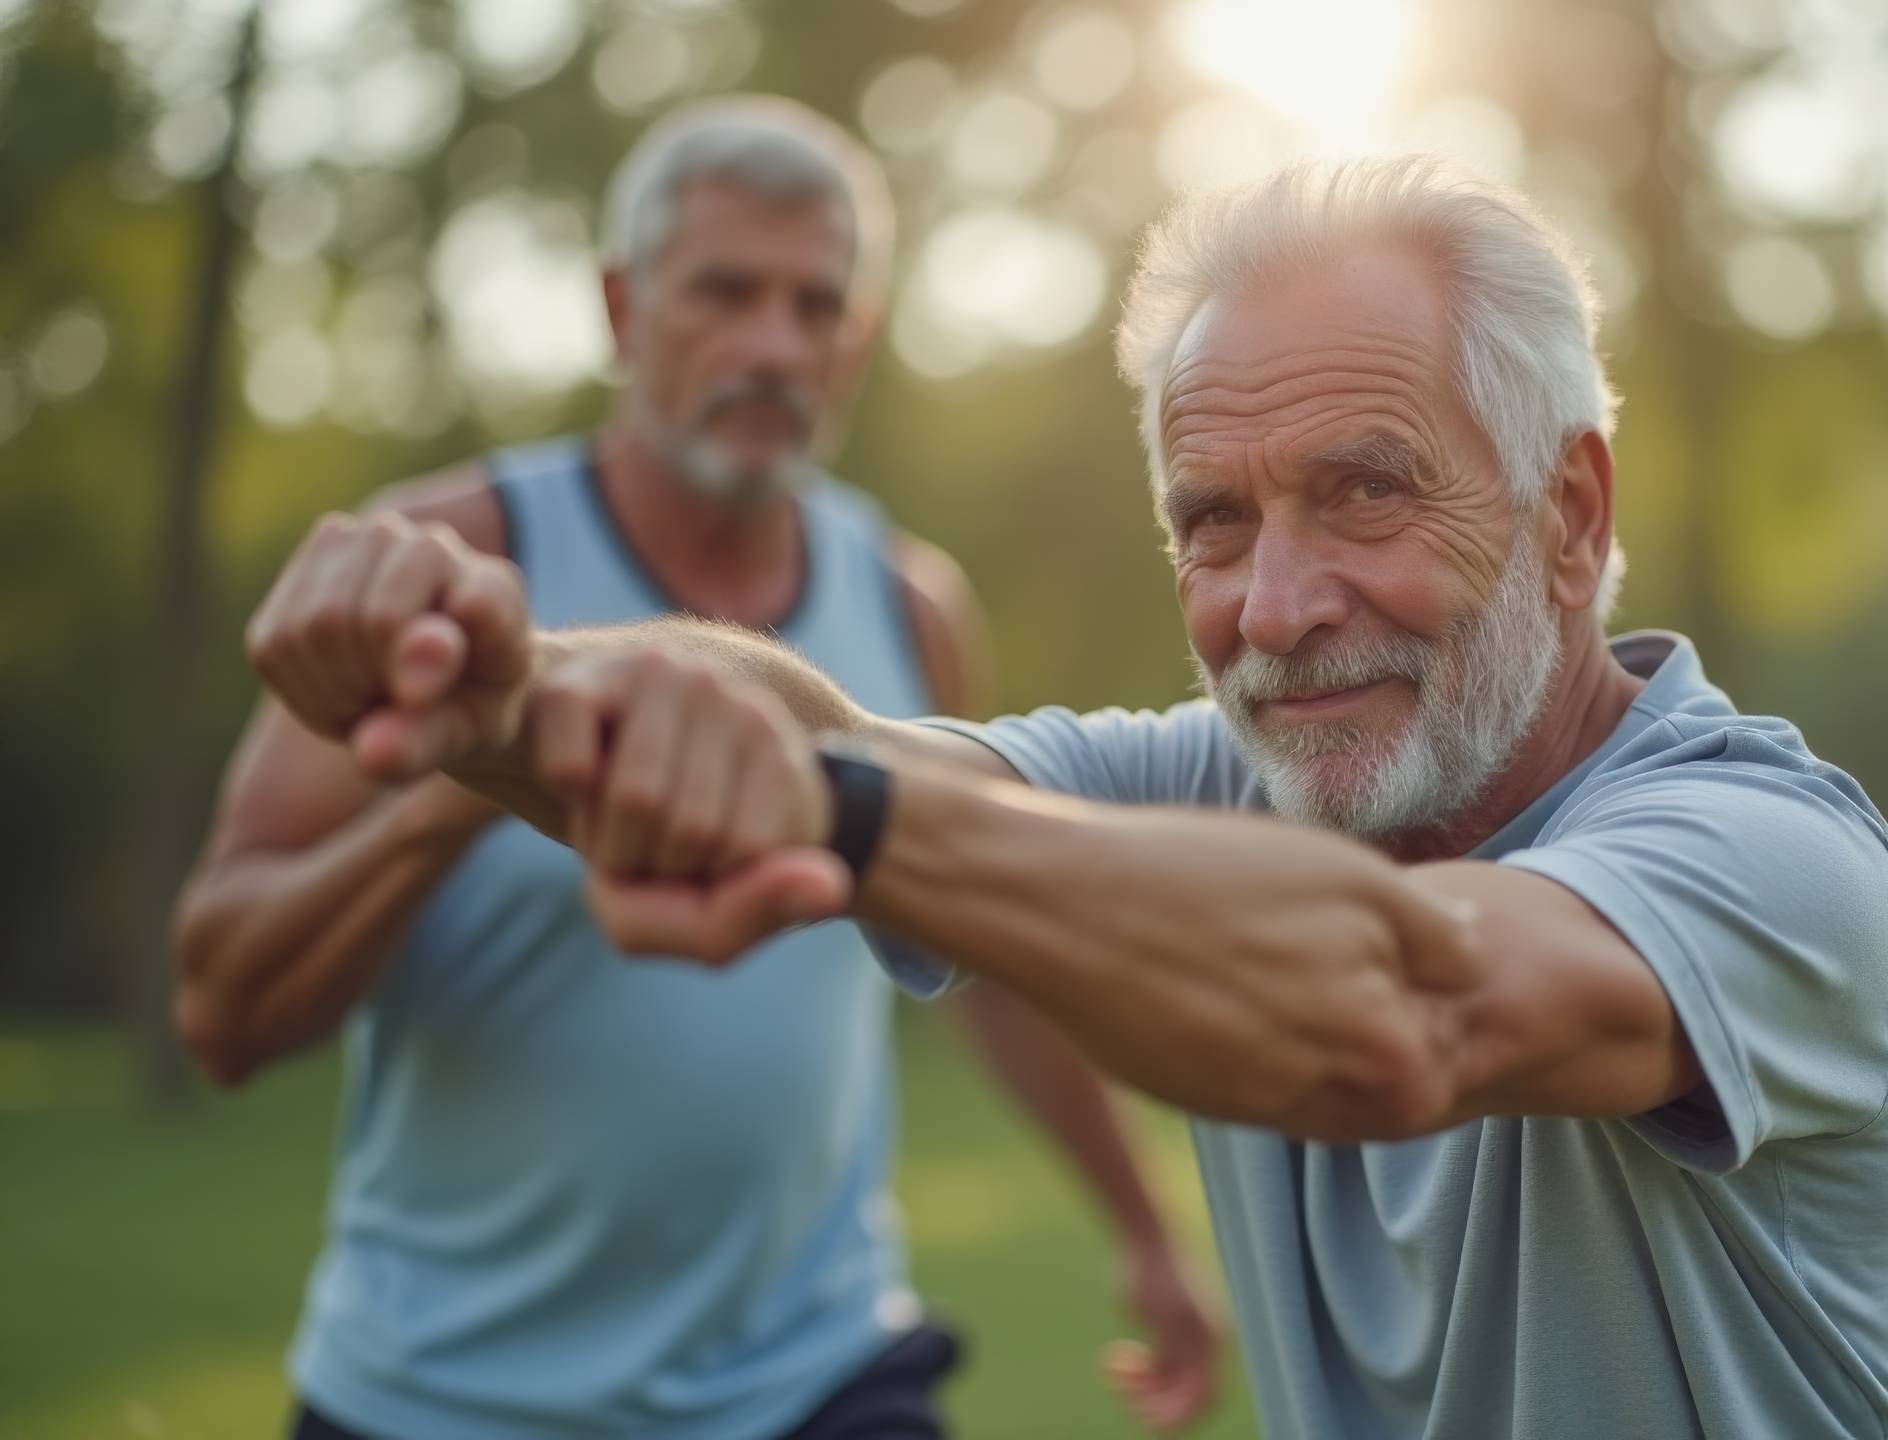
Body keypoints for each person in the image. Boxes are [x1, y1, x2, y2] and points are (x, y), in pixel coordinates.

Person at [237, 154, 1888, 1439]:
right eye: (1215, 521)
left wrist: (831, 817)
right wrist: (507, 681)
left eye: (1364, 492)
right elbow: (837, 727)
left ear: (1570, 515)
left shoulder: (1771, 858)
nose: (1274, 609)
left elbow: (1400, 1010)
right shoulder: (1237, 782)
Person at [173, 96, 1220, 1440]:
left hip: (814, 1378)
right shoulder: (443, 566)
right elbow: (220, 1010)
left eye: (816, 305)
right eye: (726, 292)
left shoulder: (910, 610)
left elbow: (992, 948)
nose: (774, 346)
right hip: (439, 1399)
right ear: (621, 308)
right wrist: (463, 784)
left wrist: (1142, 1229)